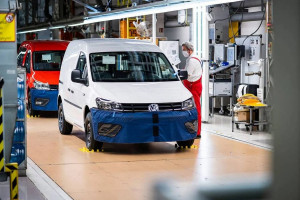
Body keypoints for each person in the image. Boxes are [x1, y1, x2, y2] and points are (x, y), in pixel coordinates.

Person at [181, 42, 202, 138]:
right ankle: (192, 129)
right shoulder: (191, 59)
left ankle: (197, 132)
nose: (183, 52)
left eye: (184, 50)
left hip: (193, 86)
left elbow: (187, 74)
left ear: (189, 50)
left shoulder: (193, 61)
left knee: (196, 109)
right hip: (191, 85)